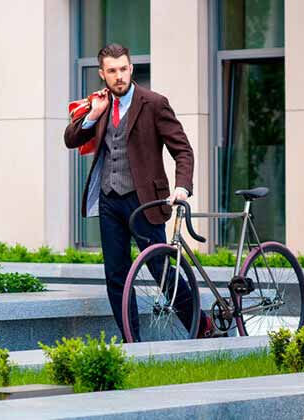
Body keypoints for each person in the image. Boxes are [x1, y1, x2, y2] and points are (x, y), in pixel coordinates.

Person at [64, 43, 216, 341]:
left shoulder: (154, 103)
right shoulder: (100, 104)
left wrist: (182, 187)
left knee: (161, 269)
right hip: (110, 201)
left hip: (144, 201)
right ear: (102, 74)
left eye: (123, 69)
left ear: (131, 68)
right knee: (116, 276)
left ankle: (201, 328)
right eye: (112, 71)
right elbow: (71, 139)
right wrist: (94, 114)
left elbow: (182, 150)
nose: (118, 76)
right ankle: (131, 340)